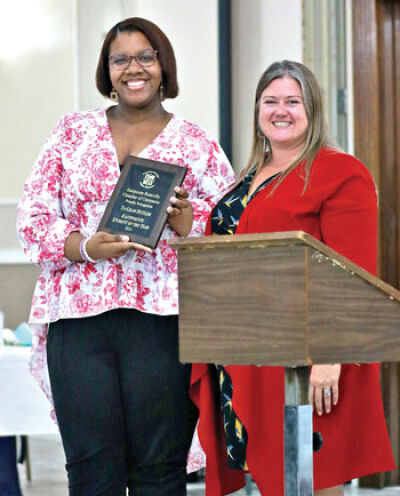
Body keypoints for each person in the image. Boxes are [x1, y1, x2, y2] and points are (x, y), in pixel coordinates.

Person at [16, 17, 235, 496]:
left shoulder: (196, 144)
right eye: (120, 59)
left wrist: (187, 223)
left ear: (163, 66)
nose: (133, 68)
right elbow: (31, 218)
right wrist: (84, 246)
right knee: (92, 471)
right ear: (107, 69)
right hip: (78, 321)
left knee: (160, 470)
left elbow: (231, 230)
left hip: (163, 322)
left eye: (146, 56)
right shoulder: (70, 133)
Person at [190, 60, 395, 496]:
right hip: (247, 353)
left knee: (310, 479)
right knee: (273, 479)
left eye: (292, 101)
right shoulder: (247, 178)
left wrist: (329, 356)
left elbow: (352, 275)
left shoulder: (340, 172)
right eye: (270, 101)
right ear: (257, 110)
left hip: (308, 359)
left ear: (312, 109)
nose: (280, 111)